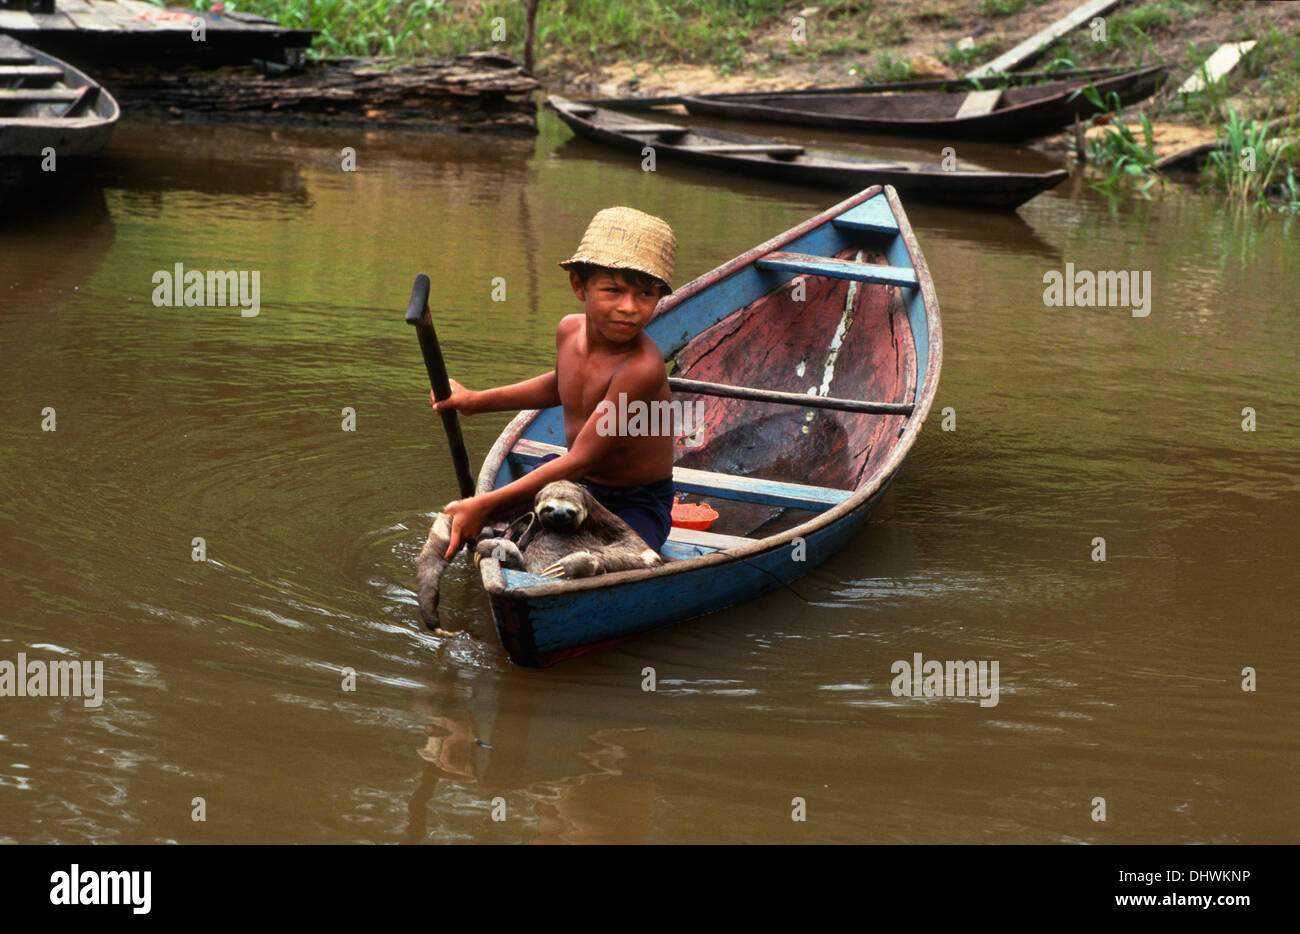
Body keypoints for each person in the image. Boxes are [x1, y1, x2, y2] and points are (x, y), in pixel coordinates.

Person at [432, 206, 678, 562]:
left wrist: (482, 506)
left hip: (635, 501)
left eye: (645, 295)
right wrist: (474, 401)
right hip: (577, 487)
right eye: (613, 290)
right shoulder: (568, 330)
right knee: (539, 503)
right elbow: (563, 385)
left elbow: (579, 460)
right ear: (579, 286)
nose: (629, 307)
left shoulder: (642, 367)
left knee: (626, 555)